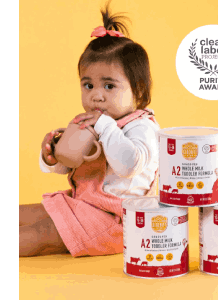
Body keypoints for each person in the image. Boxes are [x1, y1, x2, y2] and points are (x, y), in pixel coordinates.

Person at [19, 3, 160, 257]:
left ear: (138, 91)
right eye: (88, 85)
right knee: (23, 213)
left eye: (108, 86)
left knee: (40, 234)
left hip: (114, 221)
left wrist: (104, 126)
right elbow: (73, 164)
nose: (96, 96)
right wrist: (53, 156)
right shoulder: (95, 121)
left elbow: (129, 165)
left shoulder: (142, 127)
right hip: (81, 205)